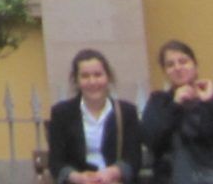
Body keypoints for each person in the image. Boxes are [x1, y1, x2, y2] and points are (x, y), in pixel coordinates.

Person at [143, 39, 213, 184]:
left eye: (183, 61)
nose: (178, 68)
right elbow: (151, 141)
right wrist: (175, 106)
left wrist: (211, 102)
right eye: (170, 65)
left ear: (195, 65)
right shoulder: (158, 102)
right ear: (165, 72)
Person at [48, 49, 144, 184]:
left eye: (98, 75)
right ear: (76, 80)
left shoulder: (127, 112)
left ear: (108, 77)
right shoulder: (61, 114)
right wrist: (78, 177)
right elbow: (56, 162)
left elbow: (133, 158)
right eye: (85, 76)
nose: (92, 82)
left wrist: (113, 172)